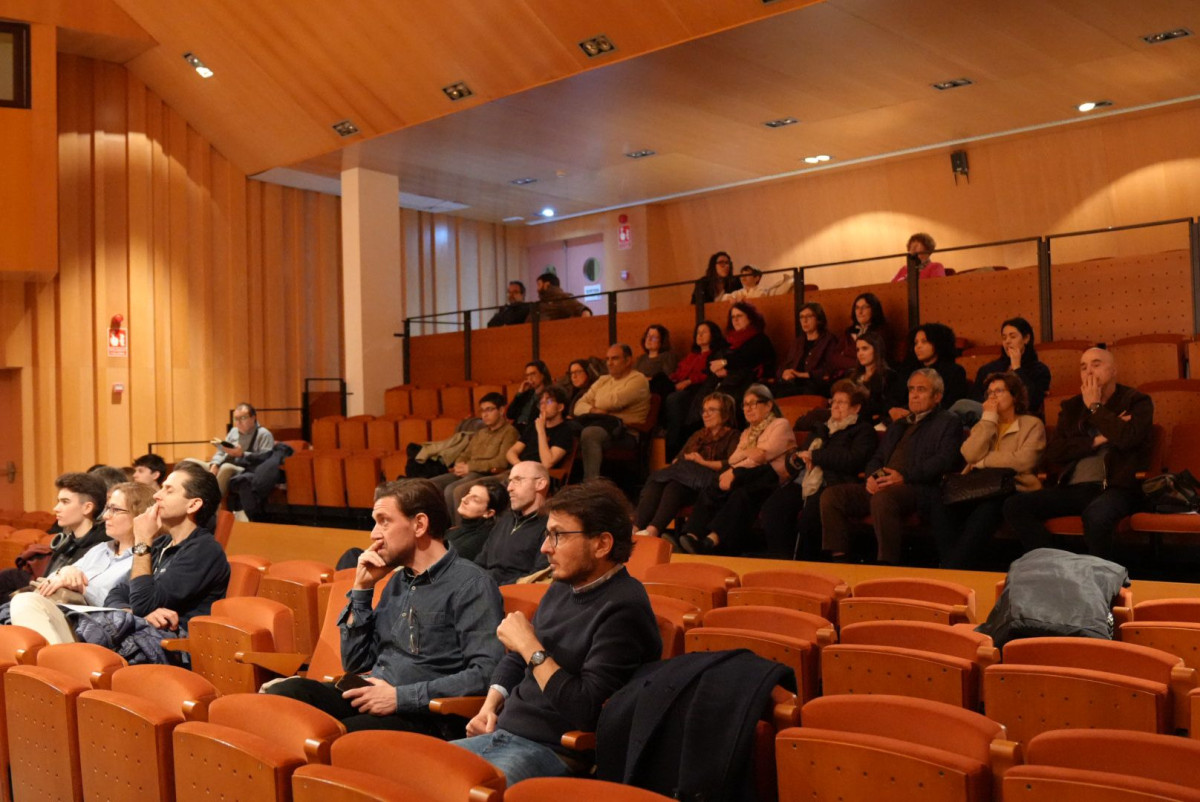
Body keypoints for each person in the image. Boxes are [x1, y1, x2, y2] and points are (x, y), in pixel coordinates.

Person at [452, 480, 662, 785]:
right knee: (411, 777)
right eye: (547, 534)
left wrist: (530, 646)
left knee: (454, 791)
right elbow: (517, 659)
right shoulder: (563, 586)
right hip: (503, 734)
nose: (545, 548)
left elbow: (584, 709)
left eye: (558, 536)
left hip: (554, 751)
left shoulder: (624, 607)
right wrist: (489, 706)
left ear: (602, 544)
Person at [266, 479, 505, 735]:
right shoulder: (398, 580)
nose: (374, 534)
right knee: (284, 695)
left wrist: (400, 697)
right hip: (374, 693)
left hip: (425, 714)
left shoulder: (472, 584)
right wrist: (361, 590)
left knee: (339, 734)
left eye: (384, 521)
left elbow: (486, 672)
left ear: (419, 524)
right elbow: (355, 662)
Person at [1003, 347, 1154, 561]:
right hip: (1074, 488)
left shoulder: (1136, 401)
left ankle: (1102, 576)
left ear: (1113, 370)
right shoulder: (1072, 407)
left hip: (1115, 488)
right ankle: (1053, 564)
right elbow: (1054, 452)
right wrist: (1098, 439)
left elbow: (1128, 438)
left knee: (1096, 516)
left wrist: (1095, 408)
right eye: (1083, 367)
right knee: (1015, 505)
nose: (1089, 371)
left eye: (1096, 364)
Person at [820, 369, 963, 565]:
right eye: (911, 389)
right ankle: (841, 561)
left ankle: (887, 564)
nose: (914, 394)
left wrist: (904, 476)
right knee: (832, 496)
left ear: (937, 396)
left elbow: (944, 460)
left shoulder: (948, 421)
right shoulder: (899, 424)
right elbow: (877, 457)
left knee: (883, 498)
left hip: (919, 487)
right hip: (885, 483)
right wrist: (872, 477)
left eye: (921, 389)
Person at [11, 482, 155, 641]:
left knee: (24, 603)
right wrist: (65, 571)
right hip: (62, 613)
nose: (106, 516)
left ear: (140, 515)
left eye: (115, 510)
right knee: (20, 607)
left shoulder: (144, 559)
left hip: (95, 628)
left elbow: (124, 607)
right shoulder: (101, 549)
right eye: (107, 509)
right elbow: (52, 581)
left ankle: (54, 656)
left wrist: (82, 588)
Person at [933, 372, 1046, 570]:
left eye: (999, 391)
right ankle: (951, 566)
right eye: (990, 393)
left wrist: (984, 461)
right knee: (942, 506)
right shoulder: (985, 422)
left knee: (986, 511)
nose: (993, 397)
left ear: (1014, 396)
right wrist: (988, 421)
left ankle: (951, 569)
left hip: (1013, 486)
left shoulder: (1031, 424)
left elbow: (1024, 461)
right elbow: (969, 454)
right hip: (979, 484)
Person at [105, 462, 231, 633]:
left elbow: (143, 604)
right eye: (162, 488)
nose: (156, 495)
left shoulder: (204, 550)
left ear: (193, 505)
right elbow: (117, 592)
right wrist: (130, 612)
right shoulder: (161, 543)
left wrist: (142, 540)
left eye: (168, 491)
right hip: (144, 633)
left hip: (173, 642)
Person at [759, 381, 876, 559]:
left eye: (841, 402)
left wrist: (816, 456)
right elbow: (800, 455)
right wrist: (795, 459)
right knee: (773, 509)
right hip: (803, 480)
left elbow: (853, 460)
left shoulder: (863, 430)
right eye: (833, 401)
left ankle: (807, 565)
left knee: (810, 519)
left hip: (830, 483)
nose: (835, 406)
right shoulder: (821, 428)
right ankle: (781, 559)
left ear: (856, 407)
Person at [675, 384, 796, 555]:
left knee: (739, 490)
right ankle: (691, 536)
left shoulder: (780, 424)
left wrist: (736, 470)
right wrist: (746, 455)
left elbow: (762, 456)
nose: (748, 409)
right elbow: (733, 459)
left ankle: (711, 541)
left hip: (772, 479)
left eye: (753, 403)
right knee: (713, 487)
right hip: (749, 478)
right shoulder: (747, 432)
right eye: (745, 405)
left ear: (768, 405)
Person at [635, 392, 739, 539]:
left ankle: (653, 530)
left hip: (710, 484)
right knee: (660, 482)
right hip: (685, 479)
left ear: (726, 414)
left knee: (673, 484)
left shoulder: (733, 436)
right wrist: (686, 459)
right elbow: (678, 459)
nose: (705, 414)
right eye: (704, 410)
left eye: (711, 410)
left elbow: (732, 464)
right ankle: (635, 528)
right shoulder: (698, 434)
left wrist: (702, 462)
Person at [430, 393, 518, 519]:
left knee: (454, 490)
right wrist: (459, 464)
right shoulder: (480, 433)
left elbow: (501, 462)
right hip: (467, 471)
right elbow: (466, 453)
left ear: (501, 410)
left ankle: (460, 527)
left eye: (489, 410)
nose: (484, 415)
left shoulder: (509, 432)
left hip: (485, 473)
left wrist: (470, 467)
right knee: (432, 484)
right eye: (482, 411)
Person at [574, 344, 651, 481]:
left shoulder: (638, 380)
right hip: (602, 426)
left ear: (628, 361)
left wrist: (595, 401)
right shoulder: (604, 380)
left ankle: (591, 485)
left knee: (590, 433)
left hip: (626, 433)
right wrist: (593, 409)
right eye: (607, 359)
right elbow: (578, 407)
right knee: (566, 431)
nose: (609, 363)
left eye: (615, 358)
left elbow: (612, 402)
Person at [957, 317, 1052, 420]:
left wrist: (1017, 368)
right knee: (962, 408)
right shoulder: (988, 369)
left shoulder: (1040, 370)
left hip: (1019, 417)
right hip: (988, 415)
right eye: (1004, 338)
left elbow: (1032, 402)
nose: (1007, 341)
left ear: (1026, 339)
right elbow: (975, 399)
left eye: (1013, 337)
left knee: (962, 405)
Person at [475, 462, 551, 584]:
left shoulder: (550, 525)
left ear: (540, 484)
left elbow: (537, 577)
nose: (509, 488)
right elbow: (481, 561)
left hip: (511, 592)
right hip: (483, 587)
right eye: (510, 481)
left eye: (517, 480)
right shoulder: (505, 519)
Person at [663, 321, 727, 460]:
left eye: (704, 332)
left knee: (674, 399)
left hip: (698, 389)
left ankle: (674, 447)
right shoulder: (692, 355)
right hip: (681, 387)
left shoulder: (715, 355)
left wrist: (689, 381)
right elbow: (679, 372)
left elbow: (709, 376)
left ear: (713, 334)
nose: (700, 335)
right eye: (698, 332)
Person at [707, 302, 775, 408]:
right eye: (733, 317)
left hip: (750, 382)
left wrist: (725, 364)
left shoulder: (760, 338)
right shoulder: (729, 339)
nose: (735, 320)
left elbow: (746, 359)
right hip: (728, 380)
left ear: (750, 318)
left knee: (721, 400)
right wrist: (716, 368)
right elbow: (712, 358)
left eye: (739, 316)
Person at [891, 323, 968, 415]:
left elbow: (949, 406)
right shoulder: (908, 369)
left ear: (938, 343)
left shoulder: (954, 371)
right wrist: (892, 410)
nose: (918, 346)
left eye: (924, 341)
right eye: (916, 343)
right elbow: (894, 397)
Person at [208, 402, 275, 497]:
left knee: (226, 467)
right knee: (191, 463)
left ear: (253, 418)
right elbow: (221, 452)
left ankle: (212, 500)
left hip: (245, 468)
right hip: (224, 462)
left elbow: (266, 459)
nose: (238, 422)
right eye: (236, 419)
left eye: (243, 418)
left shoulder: (264, 434)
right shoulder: (233, 431)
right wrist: (215, 464)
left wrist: (242, 454)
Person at [775, 302, 842, 398]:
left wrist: (802, 375)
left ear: (818, 319)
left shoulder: (829, 340)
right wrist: (784, 373)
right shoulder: (797, 342)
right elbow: (784, 364)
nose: (804, 321)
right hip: (793, 383)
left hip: (814, 384)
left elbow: (830, 368)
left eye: (809, 316)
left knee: (804, 391)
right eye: (801, 317)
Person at [447, 482, 510, 562]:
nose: (464, 499)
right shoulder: (459, 529)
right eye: (468, 493)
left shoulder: (473, 544)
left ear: (488, 513)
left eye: (475, 500)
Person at [832, 292, 888, 375]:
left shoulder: (881, 331)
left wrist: (846, 353)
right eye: (857, 308)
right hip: (848, 374)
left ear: (874, 309)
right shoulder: (849, 331)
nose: (860, 312)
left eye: (864, 307)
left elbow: (873, 359)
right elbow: (835, 358)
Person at [634, 325, 678, 398]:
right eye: (648, 336)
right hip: (636, 387)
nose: (649, 339)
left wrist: (646, 379)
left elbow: (668, 378)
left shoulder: (667, 356)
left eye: (654, 337)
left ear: (661, 341)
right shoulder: (641, 358)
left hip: (653, 391)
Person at [509, 361, 552, 429]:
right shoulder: (527, 393)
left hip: (533, 429)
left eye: (533, 374)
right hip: (517, 427)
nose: (530, 378)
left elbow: (549, 410)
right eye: (527, 375)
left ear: (542, 375)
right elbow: (510, 414)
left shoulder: (551, 394)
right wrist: (520, 393)